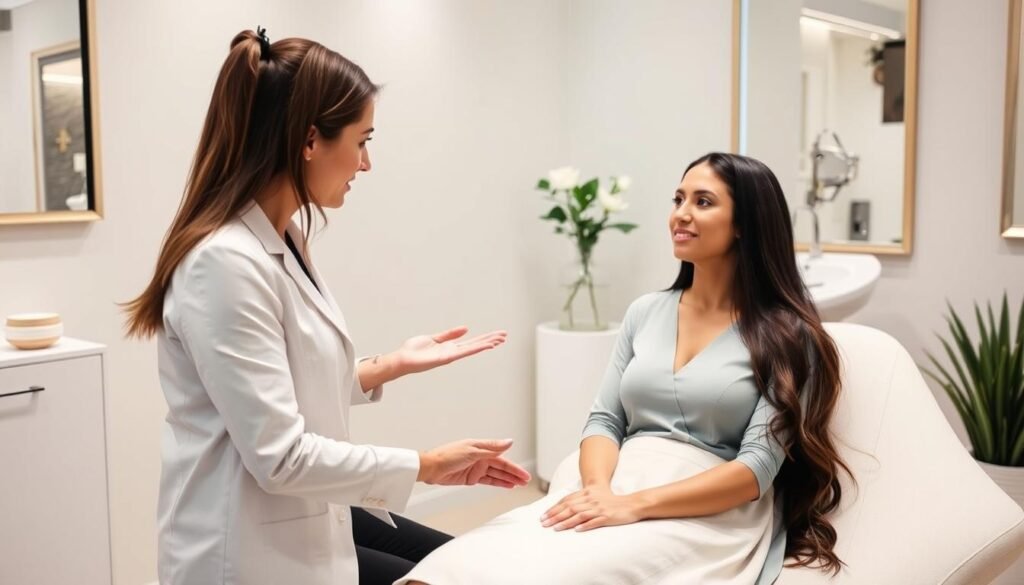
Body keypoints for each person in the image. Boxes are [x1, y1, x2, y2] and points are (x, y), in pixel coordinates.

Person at [122, 28, 530, 585]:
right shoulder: (222, 264)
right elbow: (280, 456)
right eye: (362, 140)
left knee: (460, 562)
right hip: (244, 551)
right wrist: (428, 466)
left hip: (300, 519)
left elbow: (285, 377)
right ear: (310, 140)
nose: (366, 163)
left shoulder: (281, 236)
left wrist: (390, 365)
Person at [397, 152, 852, 585]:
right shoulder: (645, 312)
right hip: (613, 480)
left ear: (744, 226)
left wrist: (634, 507)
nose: (681, 214)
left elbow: (755, 470)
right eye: (678, 199)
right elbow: (605, 420)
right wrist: (599, 493)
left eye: (703, 201)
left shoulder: (791, 337)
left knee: (551, 574)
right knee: (459, 563)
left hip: (706, 508)